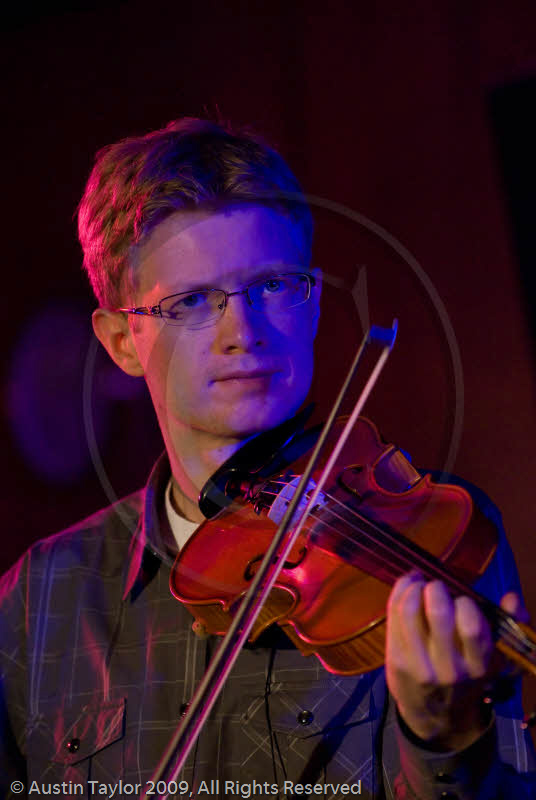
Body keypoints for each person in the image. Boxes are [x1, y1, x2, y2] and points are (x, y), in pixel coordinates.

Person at [1, 117, 535, 799]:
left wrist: (443, 742)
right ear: (122, 342)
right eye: (192, 301)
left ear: (311, 301)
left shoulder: (433, 533)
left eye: (274, 286)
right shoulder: (39, 601)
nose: (243, 333)